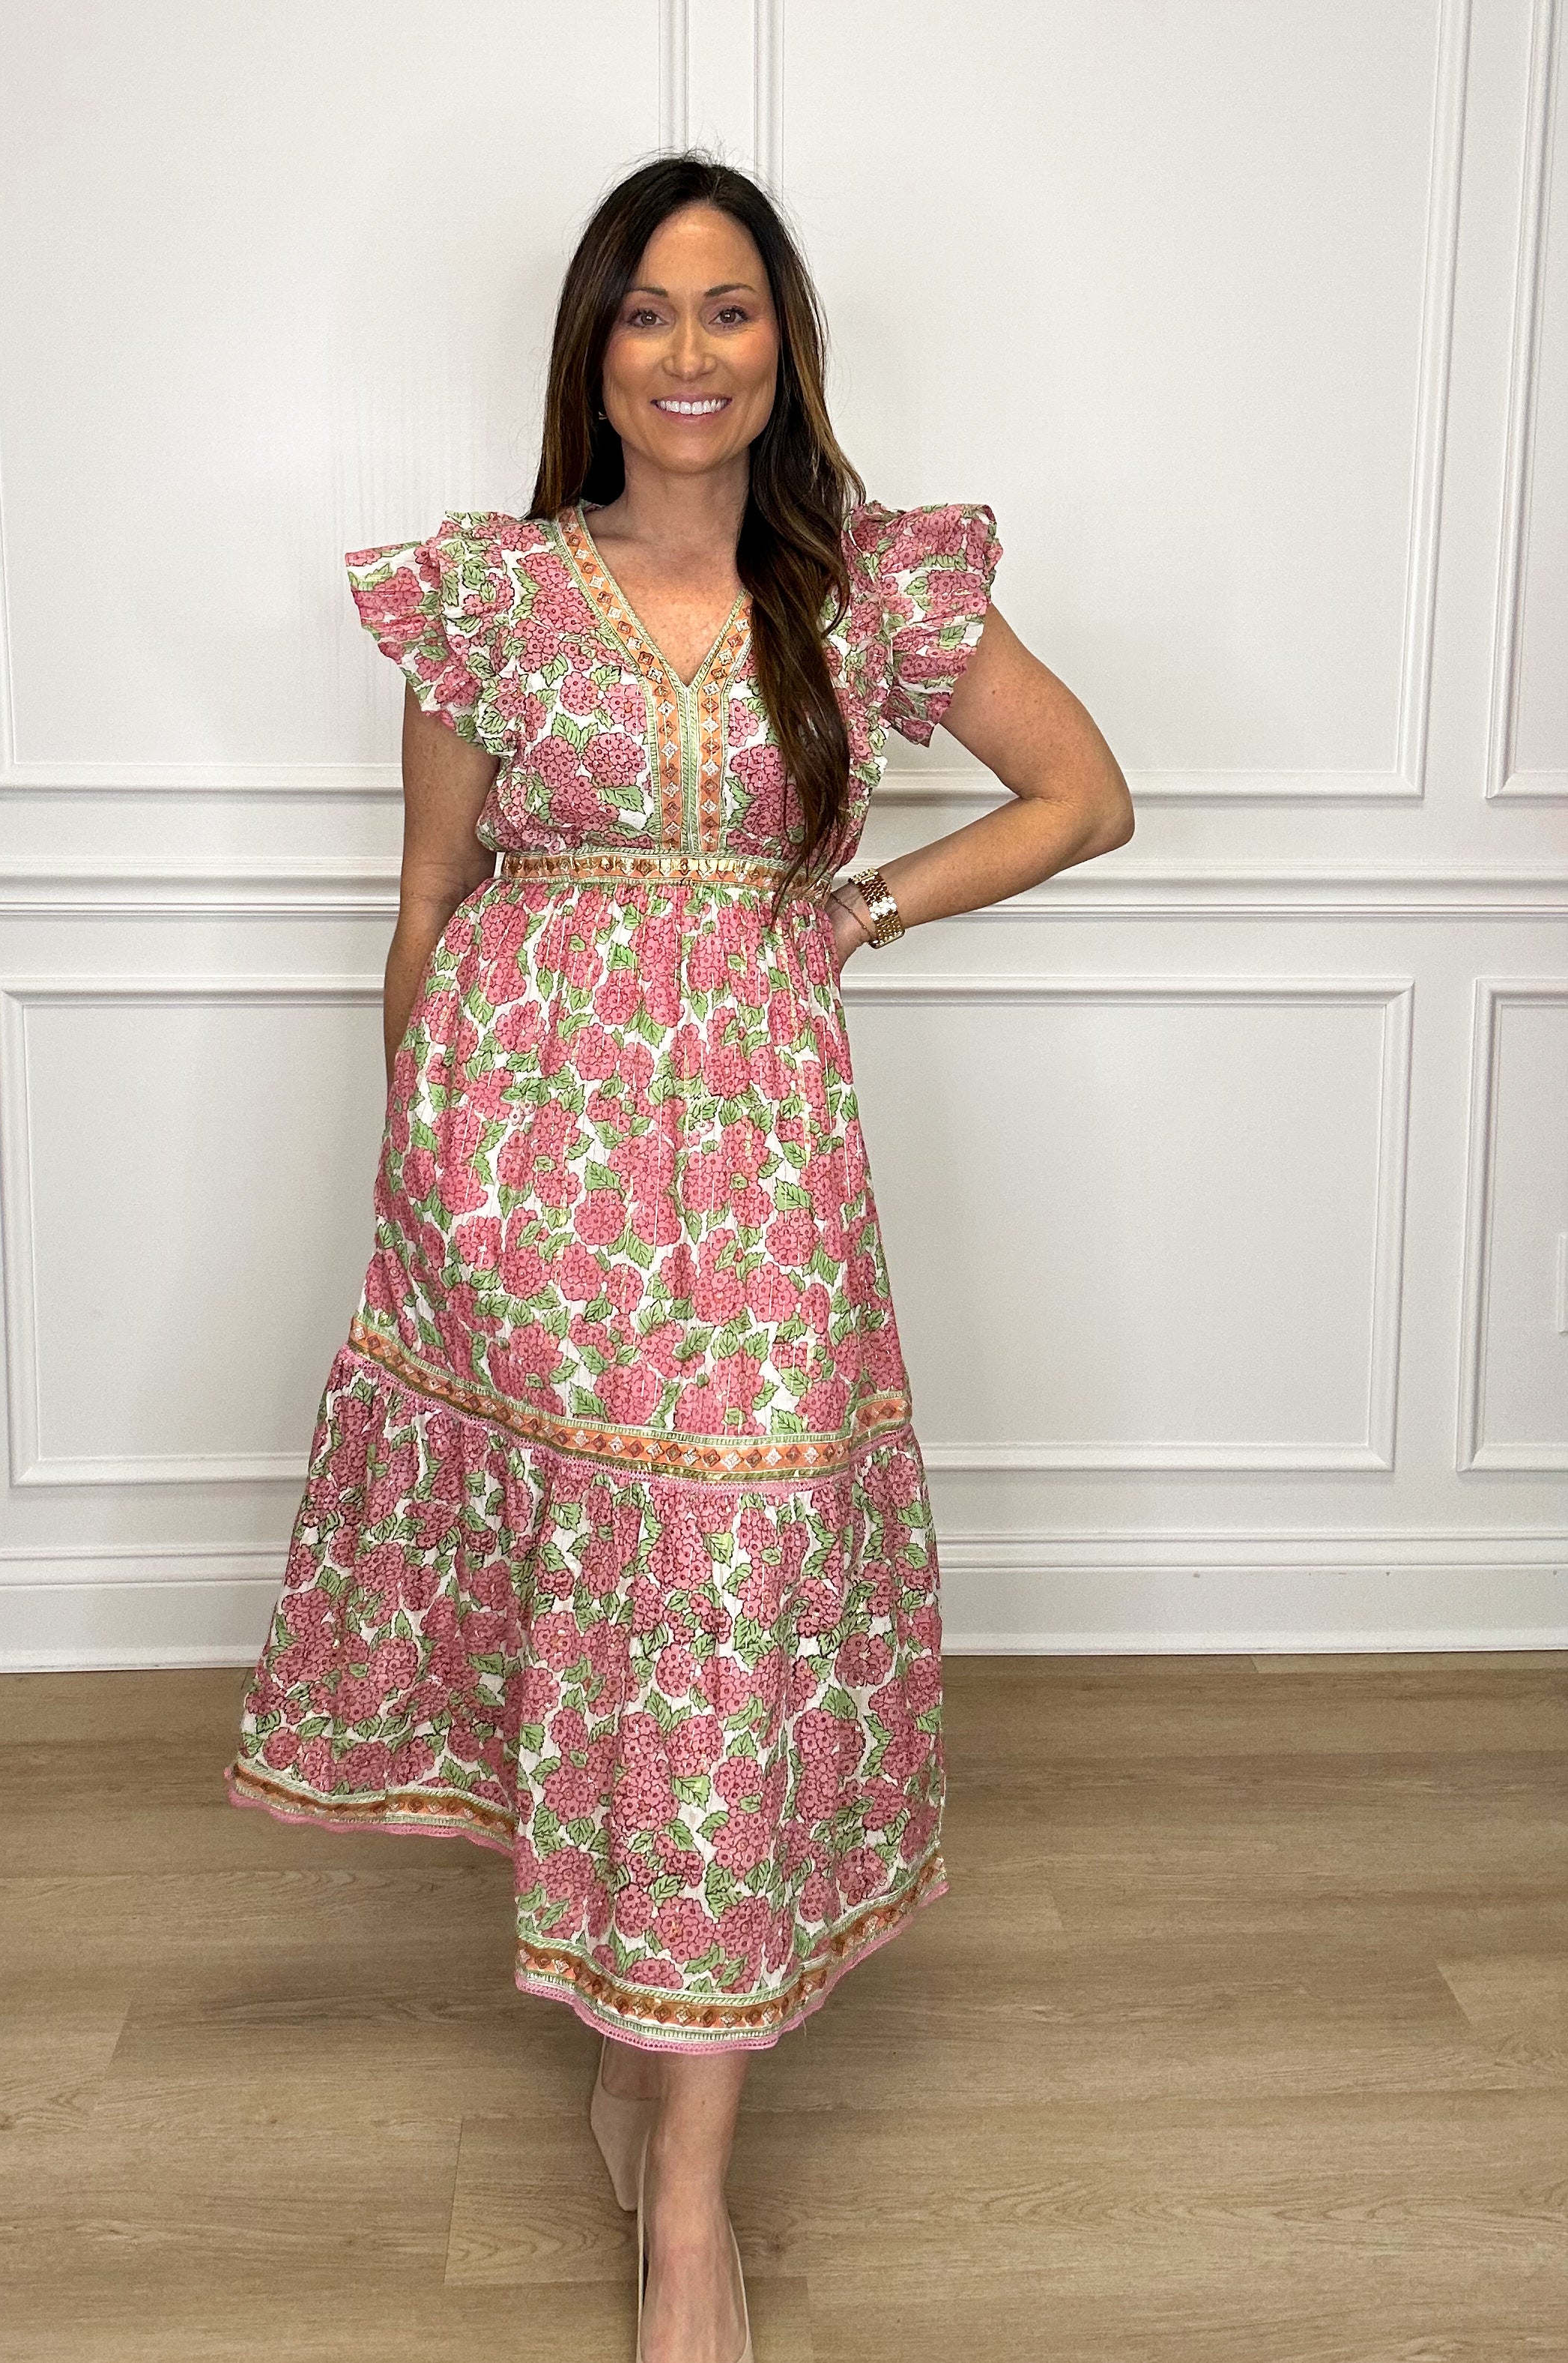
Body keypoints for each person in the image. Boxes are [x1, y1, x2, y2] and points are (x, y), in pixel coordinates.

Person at [224, 151, 1132, 2363]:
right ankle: (647, 2066)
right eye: (647, 311)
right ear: (596, 349)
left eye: (730, 310)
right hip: (522, 1185)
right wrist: (421, 1172)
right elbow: (429, 901)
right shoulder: (491, 596)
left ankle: (690, 2193)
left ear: (784, 349)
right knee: (603, 1620)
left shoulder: (864, 592)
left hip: (758, 1184)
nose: (690, 351)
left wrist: (853, 912)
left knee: (727, 1622)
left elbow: (1083, 794)